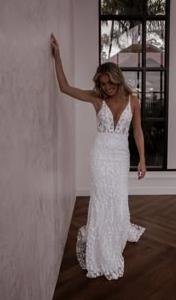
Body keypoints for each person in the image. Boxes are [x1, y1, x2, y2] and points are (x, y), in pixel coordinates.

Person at [50, 33, 146, 280]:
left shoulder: (133, 101)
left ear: (118, 80)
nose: (106, 88)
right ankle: (101, 246)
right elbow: (64, 87)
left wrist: (142, 159)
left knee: (117, 196)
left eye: (110, 84)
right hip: (100, 156)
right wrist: (57, 56)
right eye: (103, 84)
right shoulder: (96, 99)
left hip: (121, 156)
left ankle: (116, 231)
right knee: (102, 198)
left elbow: (137, 130)